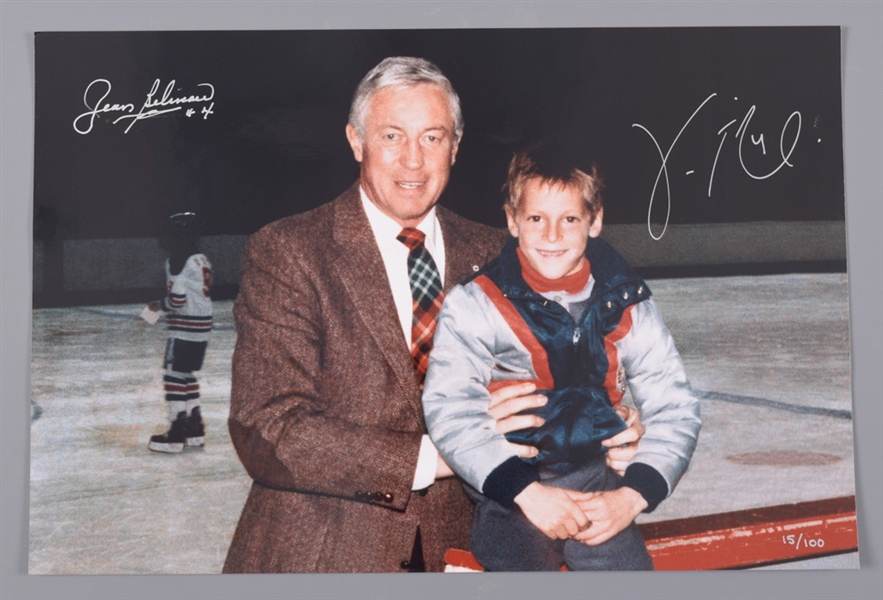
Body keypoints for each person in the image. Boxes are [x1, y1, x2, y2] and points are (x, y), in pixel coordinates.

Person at [223, 57, 644, 573]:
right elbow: (269, 428)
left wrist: (609, 416)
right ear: (356, 141)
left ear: (456, 146)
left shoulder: (503, 254)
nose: (413, 162)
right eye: (392, 136)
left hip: (469, 550)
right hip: (326, 553)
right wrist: (442, 455)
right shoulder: (291, 251)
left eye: (432, 137)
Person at [422, 147, 701, 571]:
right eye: (536, 218)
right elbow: (450, 407)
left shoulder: (625, 301)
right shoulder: (477, 303)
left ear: (595, 220)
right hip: (511, 486)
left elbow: (674, 405)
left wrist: (632, 495)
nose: (552, 235)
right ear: (513, 220)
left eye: (569, 219)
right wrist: (523, 491)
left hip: (593, 479)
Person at [145, 212, 213, 453]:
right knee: (187, 375)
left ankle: (176, 432)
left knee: (173, 376)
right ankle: (195, 428)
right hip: (202, 324)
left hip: (185, 327)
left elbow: (177, 299)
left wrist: (157, 306)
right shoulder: (201, 258)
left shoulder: (177, 259)